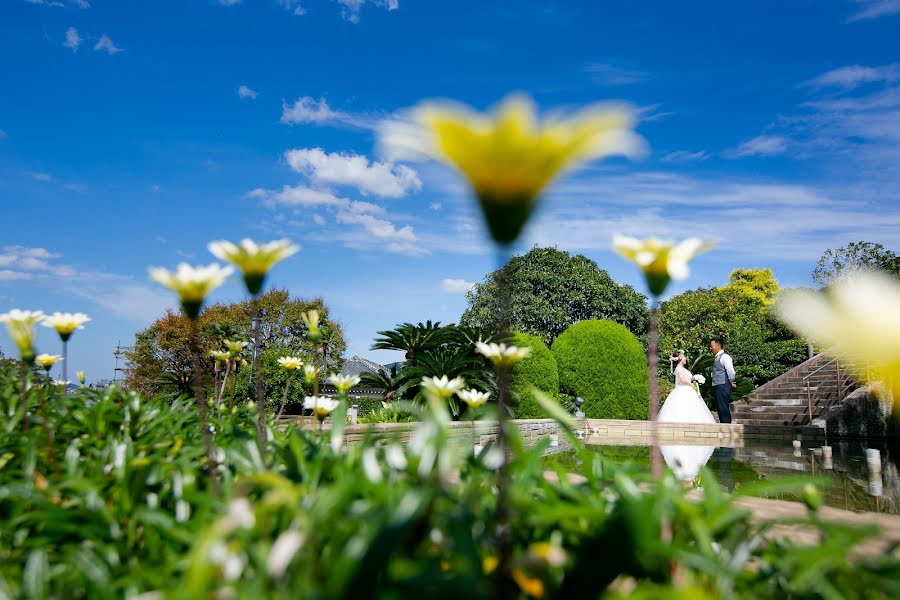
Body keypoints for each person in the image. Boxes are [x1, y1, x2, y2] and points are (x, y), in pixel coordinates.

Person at [658, 350, 715, 424]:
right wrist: (691, 384)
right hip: (684, 390)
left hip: (687, 389)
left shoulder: (682, 368)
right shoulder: (679, 368)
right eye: (684, 357)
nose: (685, 359)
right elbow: (682, 379)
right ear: (680, 358)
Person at [709, 337, 736, 423]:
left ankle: (726, 425)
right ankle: (723, 424)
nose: (710, 348)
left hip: (723, 385)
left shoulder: (725, 357)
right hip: (718, 385)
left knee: (723, 407)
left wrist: (732, 381)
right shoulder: (717, 357)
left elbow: (730, 371)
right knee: (719, 407)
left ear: (717, 346)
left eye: (711, 346)